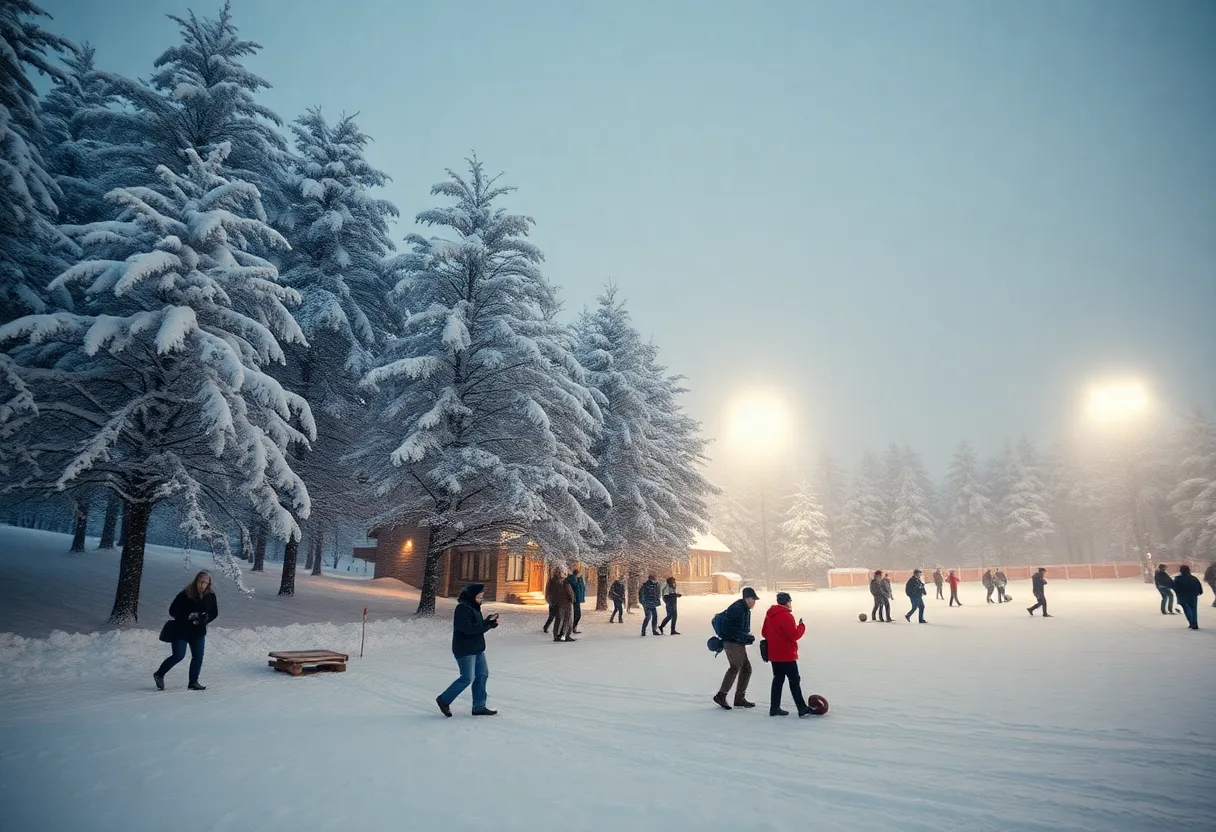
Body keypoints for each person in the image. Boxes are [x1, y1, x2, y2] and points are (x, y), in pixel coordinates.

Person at [436, 583, 500, 717]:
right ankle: (444, 700)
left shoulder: (474, 608)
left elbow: (478, 626)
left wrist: (488, 623)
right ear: (472, 596)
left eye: (482, 595)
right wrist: (486, 625)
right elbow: (468, 629)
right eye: (479, 595)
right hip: (465, 649)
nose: (481, 598)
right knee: (467, 678)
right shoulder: (462, 608)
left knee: (482, 675)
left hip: (477, 648)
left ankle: (479, 706)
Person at [154, 571, 218, 691]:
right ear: (196, 581)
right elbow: (172, 611)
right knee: (178, 655)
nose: (202, 585)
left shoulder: (210, 596)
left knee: (198, 657)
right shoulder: (185, 594)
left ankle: (193, 682)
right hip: (181, 630)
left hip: (198, 631)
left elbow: (214, 613)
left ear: (209, 584)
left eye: (205, 582)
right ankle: (159, 674)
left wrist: (205, 619)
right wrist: (189, 616)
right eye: (200, 581)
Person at [760, 592, 811, 717]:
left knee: (778, 680)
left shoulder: (769, 615)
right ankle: (801, 708)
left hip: (774, 654)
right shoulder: (786, 616)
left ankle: (774, 708)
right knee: (794, 680)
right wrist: (802, 627)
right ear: (788, 602)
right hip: (787, 654)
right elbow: (794, 635)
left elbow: (764, 633)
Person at [713, 587, 759, 709]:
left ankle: (739, 698)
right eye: (752, 599)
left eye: (754, 600)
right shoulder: (737, 609)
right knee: (735, 668)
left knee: (746, 669)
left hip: (737, 643)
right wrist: (743, 637)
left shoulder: (744, 609)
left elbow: (739, 628)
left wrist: (746, 637)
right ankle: (721, 695)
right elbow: (727, 628)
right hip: (732, 643)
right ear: (746, 599)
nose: (754, 602)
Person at [546, 568, 576, 642]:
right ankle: (566, 636)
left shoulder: (550, 582)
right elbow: (570, 593)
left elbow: (548, 593)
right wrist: (572, 599)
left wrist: (551, 602)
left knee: (558, 619)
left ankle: (557, 635)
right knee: (568, 619)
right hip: (565, 602)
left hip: (557, 603)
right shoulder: (564, 582)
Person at [1173, 564, 1204, 630]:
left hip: (1182, 596)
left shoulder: (1177, 579)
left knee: (1186, 609)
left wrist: (1178, 594)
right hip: (1193, 595)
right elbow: (1199, 586)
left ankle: (1191, 622)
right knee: (1193, 609)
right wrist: (1199, 592)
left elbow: (1175, 588)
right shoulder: (1194, 578)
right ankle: (1194, 623)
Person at [542, 567, 562, 634]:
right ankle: (548, 628)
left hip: (557, 601)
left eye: (558, 572)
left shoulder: (560, 581)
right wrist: (548, 599)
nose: (558, 573)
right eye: (556, 572)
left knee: (555, 616)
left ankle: (548, 627)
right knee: (553, 616)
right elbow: (548, 591)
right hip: (553, 601)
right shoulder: (551, 581)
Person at [567, 567, 587, 634]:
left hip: (577, 600)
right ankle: (572, 629)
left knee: (577, 615)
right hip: (574, 600)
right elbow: (573, 590)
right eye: (579, 573)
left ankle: (574, 628)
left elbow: (582, 589)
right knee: (576, 615)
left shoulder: (578, 580)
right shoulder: (572, 580)